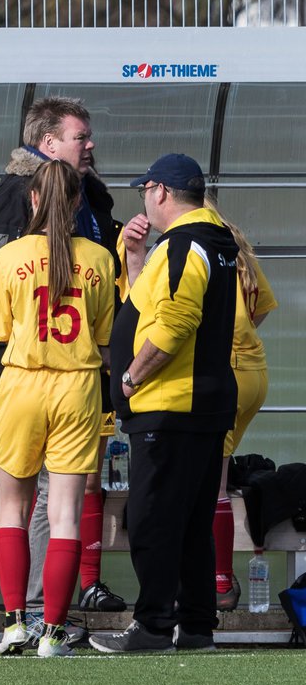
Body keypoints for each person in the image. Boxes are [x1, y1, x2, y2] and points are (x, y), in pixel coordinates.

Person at [0, 95, 126, 617]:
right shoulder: (17, 201)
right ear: (47, 143)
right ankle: (41, 613)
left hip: (39, 376)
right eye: (80, 137)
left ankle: (34, 613)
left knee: (37, 500)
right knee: (54, 501)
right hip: (57, 372)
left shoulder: (87, 203)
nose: (90, 144)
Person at [91, 154, 239, 654]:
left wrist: (132, 375)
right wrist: (135, 259)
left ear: (160, 192)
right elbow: (153, 305)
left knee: (152, 519)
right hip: (200, 404)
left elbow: (176, 321)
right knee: (192, 523)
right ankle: (195, 627)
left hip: (170, 405)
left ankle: (154, 624)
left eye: (143, 191)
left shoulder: (184, 244)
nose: (143, 201)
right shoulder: (215, 241)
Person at [0, 161, 115, 658]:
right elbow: (104, 339)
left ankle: (14, 623)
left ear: (34, 201)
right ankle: (54, 634)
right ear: (79, 203)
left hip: (22, 382)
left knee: (13, 511)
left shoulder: (10, 256)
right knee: (64, 515)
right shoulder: (101, 259)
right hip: (78, 386)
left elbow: (1, 331)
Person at [204, 195, 276, 610]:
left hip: (227, 372)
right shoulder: (238, 250)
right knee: (219, 476)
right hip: (254, 371)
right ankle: (218, 580)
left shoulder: (202, 252)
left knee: (210, 484)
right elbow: (261, 307)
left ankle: (218, 583)